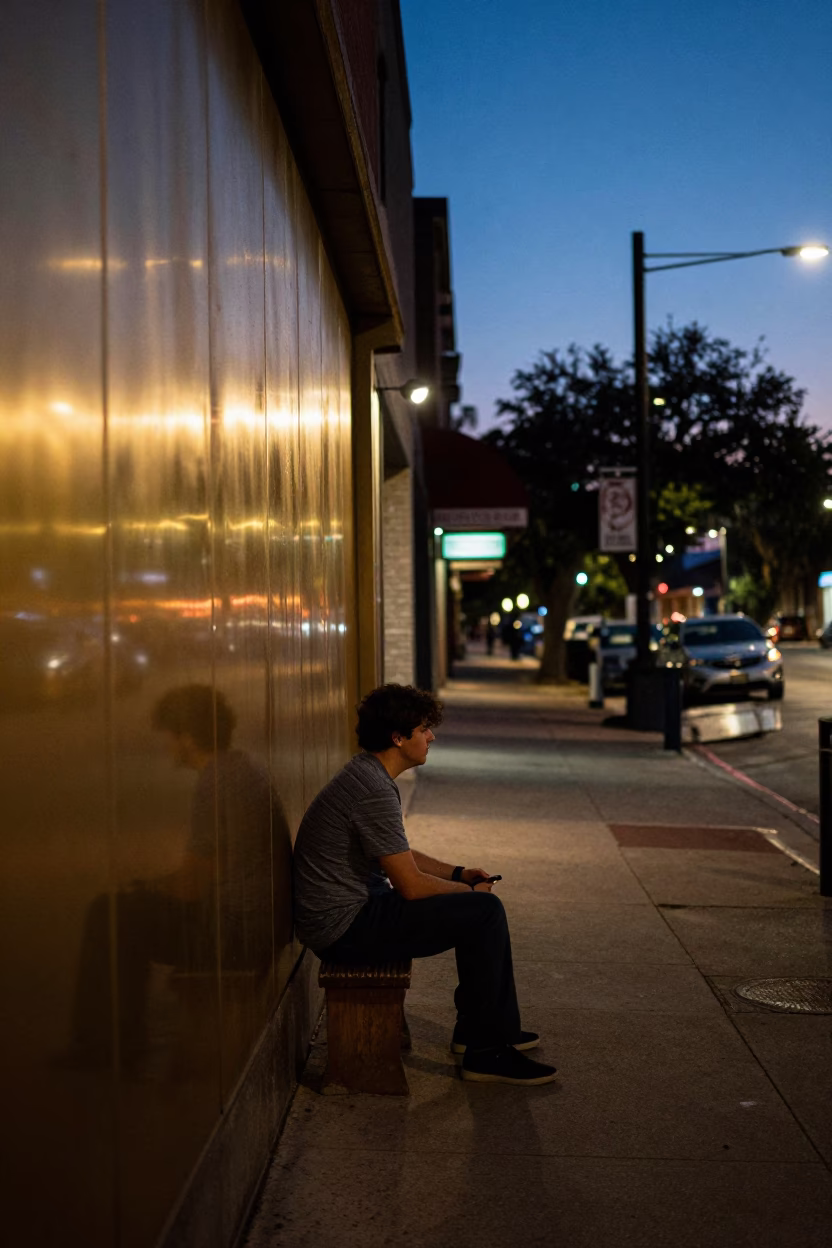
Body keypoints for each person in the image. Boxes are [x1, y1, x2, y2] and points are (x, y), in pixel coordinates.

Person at [293, 683, 557, 1086]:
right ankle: (485, 1052)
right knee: (483, 913)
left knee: (479, 910)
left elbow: (398, 853)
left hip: (353, 911)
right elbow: (411, 887)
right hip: (344, 928)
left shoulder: (368, 775)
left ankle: (480, 1034)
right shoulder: (372, 790)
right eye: (423, 729)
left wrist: (457, 873)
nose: (431, 737)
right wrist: (470, 894)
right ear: (398, 738)